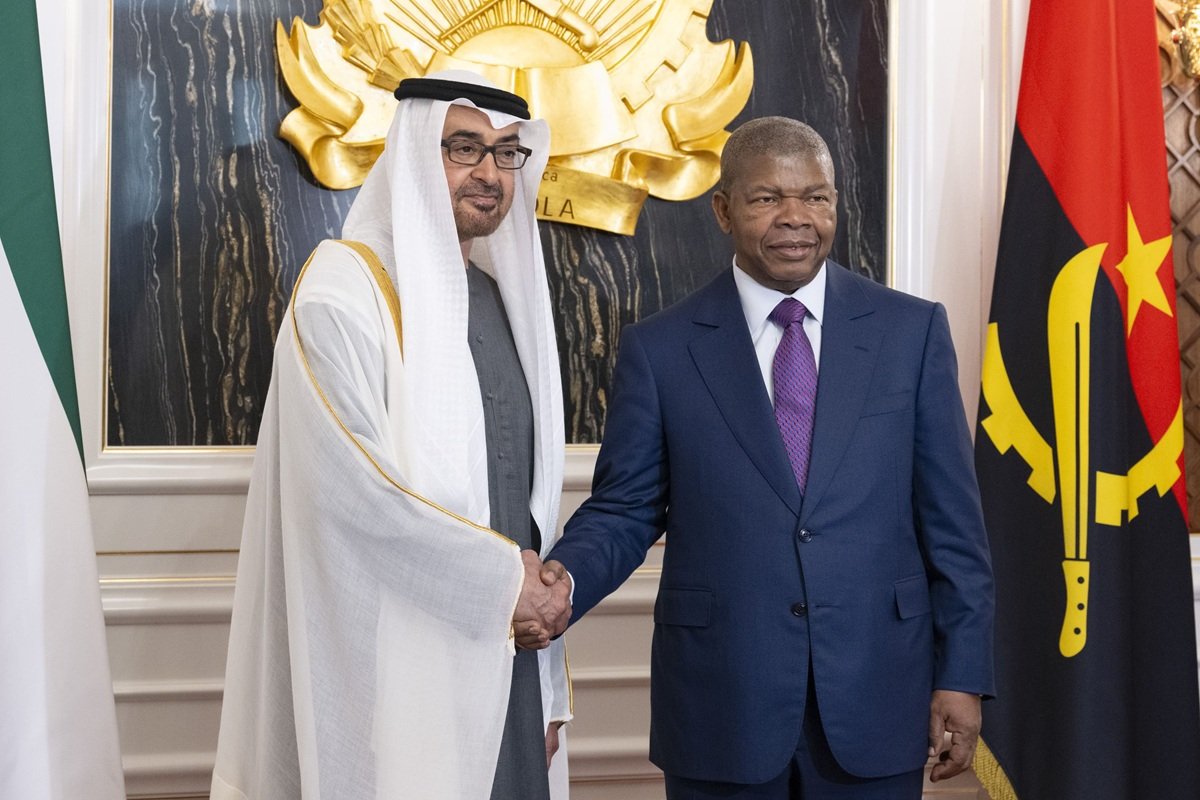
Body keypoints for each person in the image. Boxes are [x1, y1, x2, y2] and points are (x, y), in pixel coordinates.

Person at [541, 116, 995, 798]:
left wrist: (962, 672)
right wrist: (561, 584)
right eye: (767, 198)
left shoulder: (911, 331)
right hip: (722, 701)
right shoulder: (660, 349)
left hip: (878, 692)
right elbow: (624, 509)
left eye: (816, 197)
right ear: (724, 210)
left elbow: (953, 523)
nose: (796, 218)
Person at [210, 70, 573, 800]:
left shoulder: (500, 300)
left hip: (508, 652)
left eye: (506, 153)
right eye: (463, 147)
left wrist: (549, 682)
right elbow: (351, 495)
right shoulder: (343, 293)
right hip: (394, 662)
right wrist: (504, 588)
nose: (489, 172)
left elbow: (525, 510)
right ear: (410, 154)